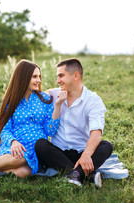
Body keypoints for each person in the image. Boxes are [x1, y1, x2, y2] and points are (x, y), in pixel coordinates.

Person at [0, 60, 66, 180]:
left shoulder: (45, 99)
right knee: (19, 157)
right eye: (34, 76)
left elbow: (50, 131)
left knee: (23, 172)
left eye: (39, 76)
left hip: (36, 148)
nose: (39, 80)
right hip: (16, 146)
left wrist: (58, 105)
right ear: (23, 77)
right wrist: (13, 142)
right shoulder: (10, 101)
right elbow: (5, 129)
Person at [35, 58, 113, 188]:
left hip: (82, 152)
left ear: (75, 75)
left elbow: (96, 132)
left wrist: (87, 154)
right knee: (40, 145)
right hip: (58, 153)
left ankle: (74, 173)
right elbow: (31, 96)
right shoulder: (53, 95)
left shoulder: (93, 100)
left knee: (106, 146)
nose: (57, 80)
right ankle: (84, 174)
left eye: (61, 76)